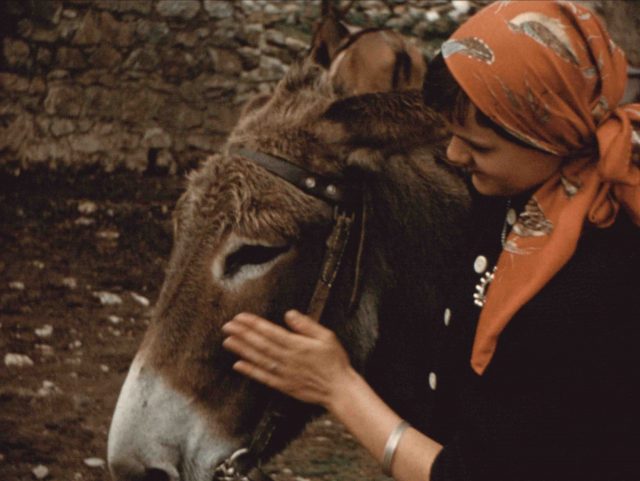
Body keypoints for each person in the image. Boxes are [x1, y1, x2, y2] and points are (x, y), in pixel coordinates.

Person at [222, 2, 640, 480]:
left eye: (479, 146)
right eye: (452, 134)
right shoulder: (514, 200)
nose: (454, 154)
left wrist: (338, 387)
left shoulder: (596, 281)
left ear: (553, 138)